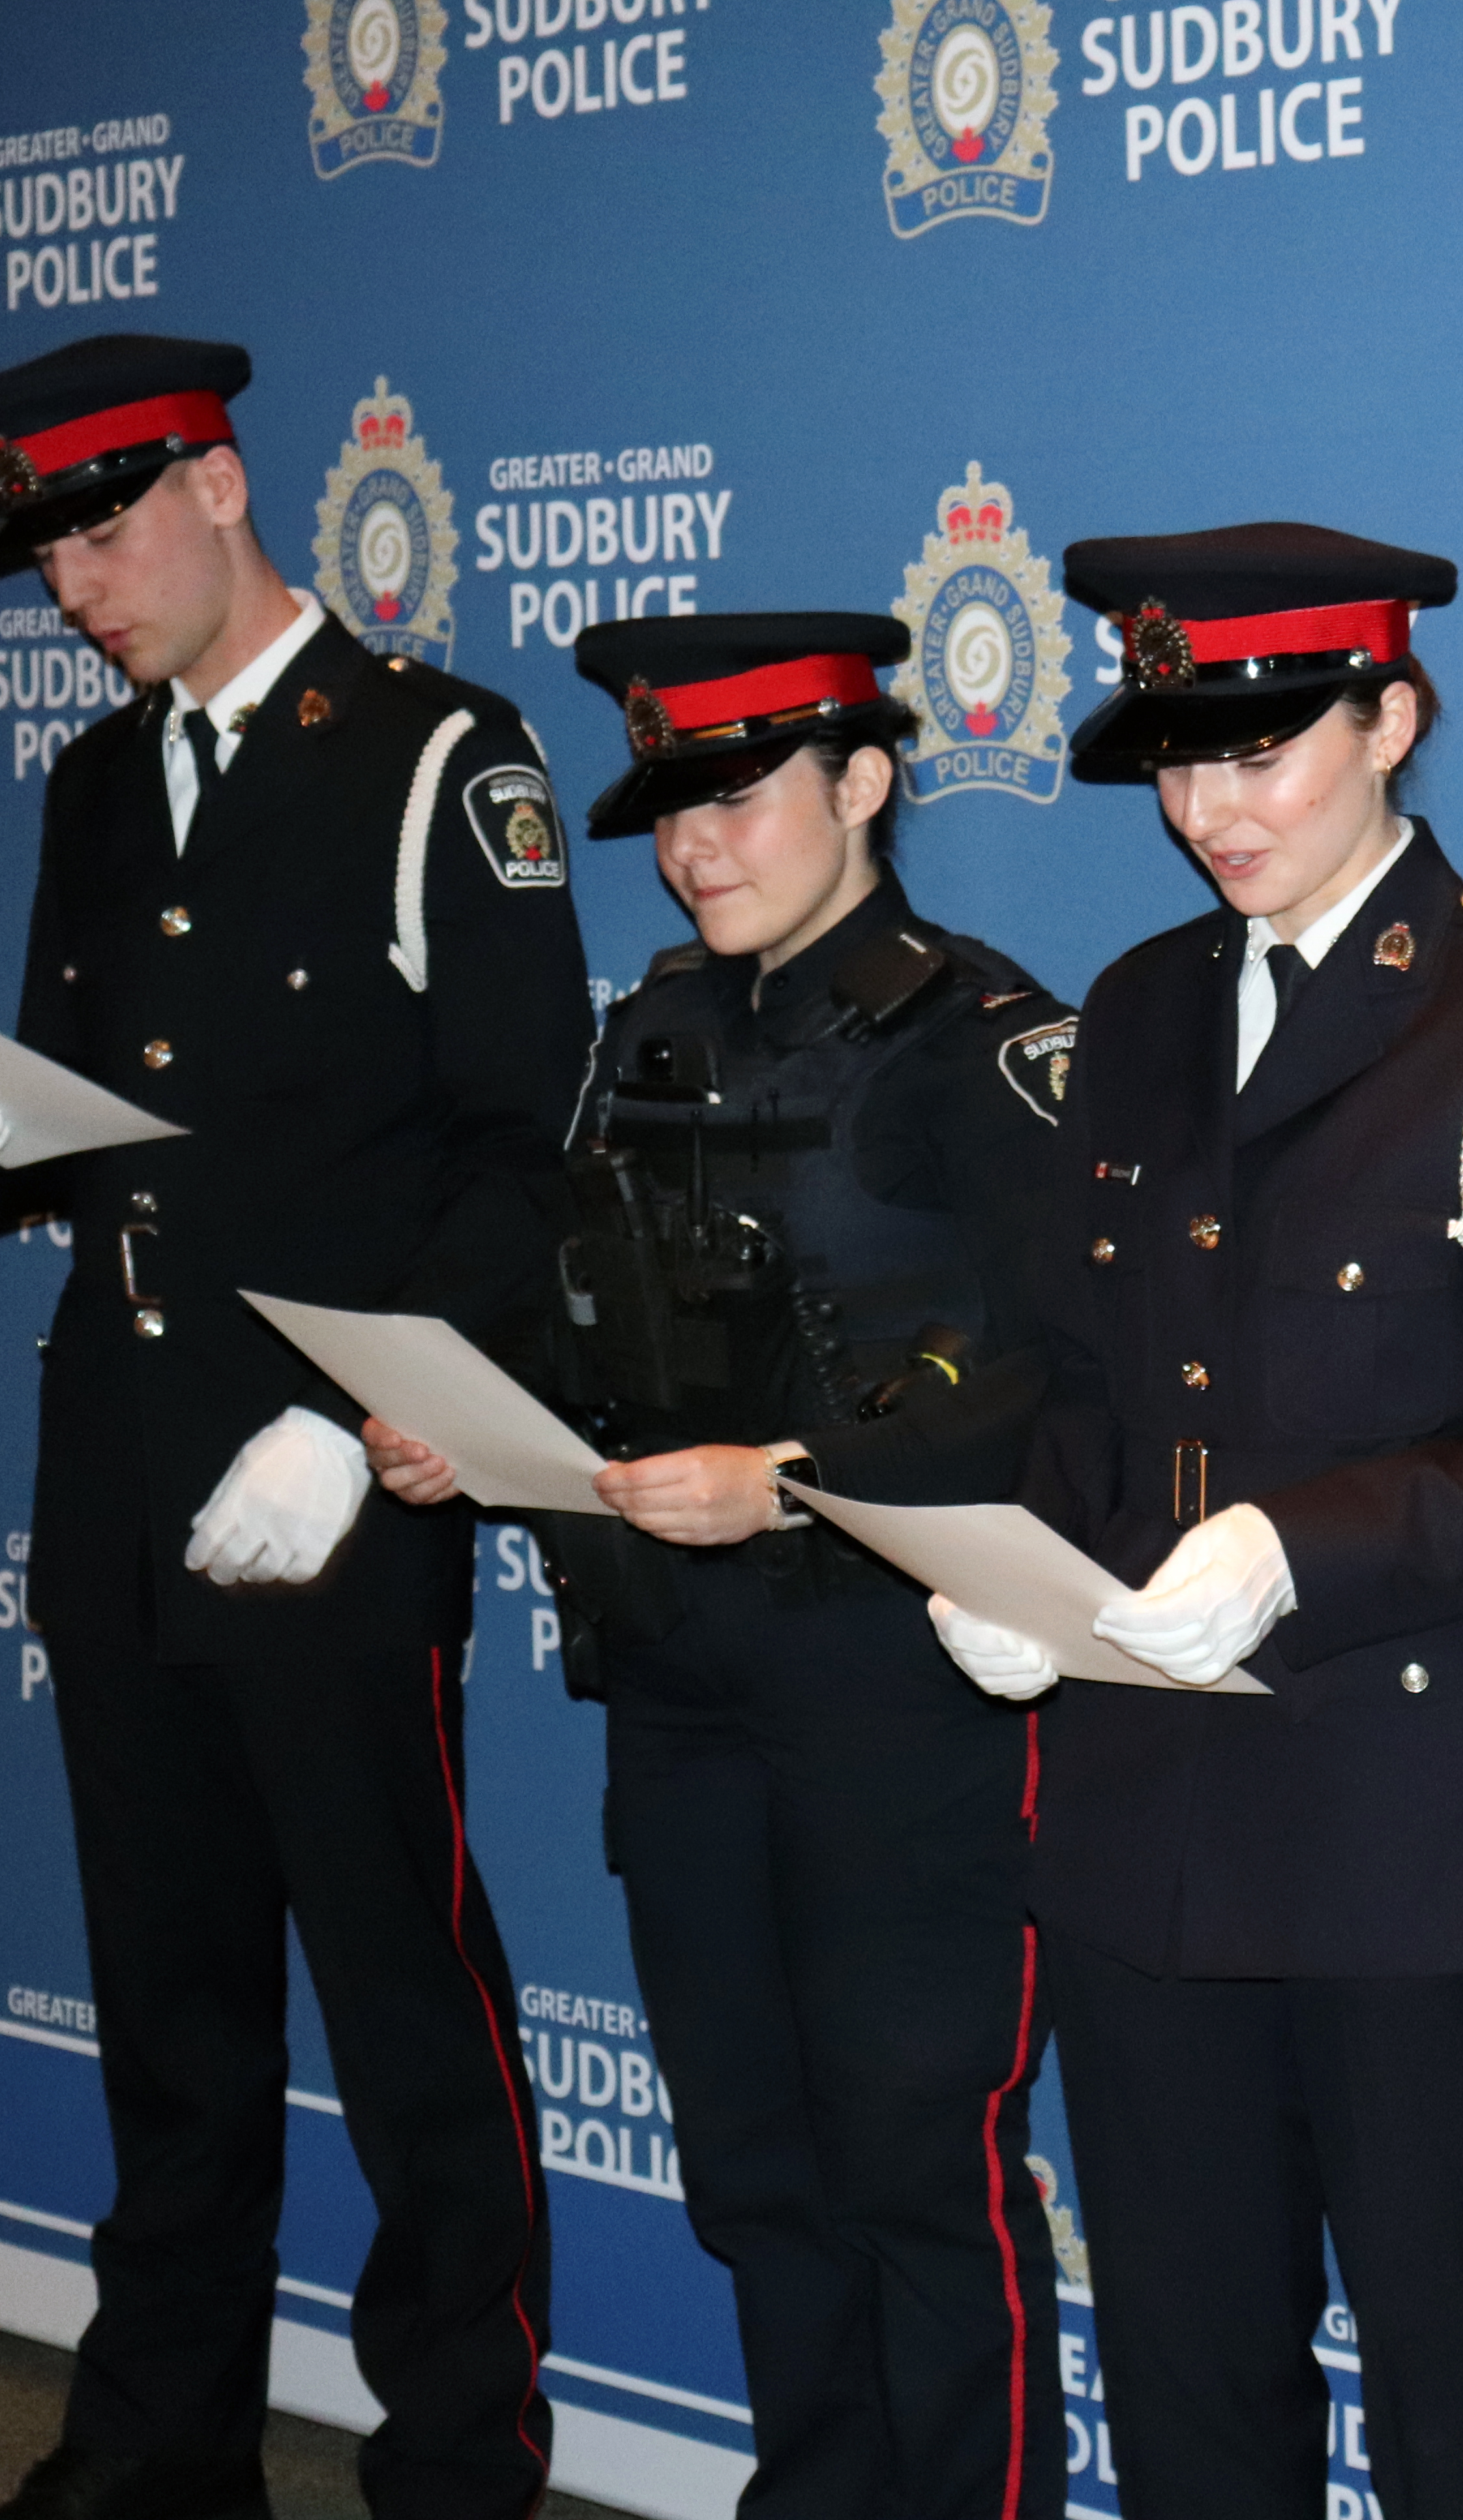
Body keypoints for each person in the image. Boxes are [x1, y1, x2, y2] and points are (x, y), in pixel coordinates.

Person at [0, 333, 586, 2520]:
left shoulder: (436, 754)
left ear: (220, 479)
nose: (74, 580)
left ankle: (456, 2470)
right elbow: (97, 1140)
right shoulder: (94, 791)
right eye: (43, 549)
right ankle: (159, 2457)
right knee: (172, 2021)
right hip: (118, 1473)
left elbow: (517, 1139)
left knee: (402, 2023)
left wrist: (351, 1409)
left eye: (101, 524)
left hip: (339, 1489)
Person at [929, 524, 1463, 2520]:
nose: (1212, 809)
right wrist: (1017, 1570)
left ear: (1391, 719)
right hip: (1146, 1810)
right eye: (1179, 762)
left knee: (1454, 2378)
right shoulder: (1137, 1005)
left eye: (1262, 753)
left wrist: (1303, 1547)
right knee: (1187, 2372)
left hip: (1413, 1814)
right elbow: (1082, 1382)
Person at [359, 614, 1071, 2520]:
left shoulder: (981, 1040)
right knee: (754, 2164)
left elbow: (1058, 1389)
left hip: (896, 1690)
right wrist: (479, 1428)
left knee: (920, 2171)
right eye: (671, 807)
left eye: (740, 799)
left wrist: (802, 1479)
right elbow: (608, 1329)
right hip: (680, 1688)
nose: (695, 848)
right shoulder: (653, 1026)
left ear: (864, 783)